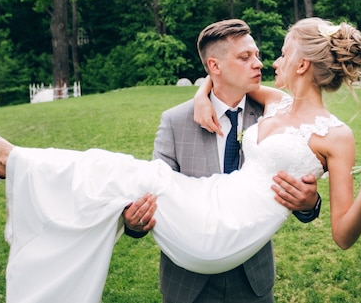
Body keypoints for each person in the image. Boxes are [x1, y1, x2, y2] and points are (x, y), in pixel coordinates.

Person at [0, 18, 361, 303]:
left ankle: (8, 160)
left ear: (302, 65)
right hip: (207, 206)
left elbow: (342, 235)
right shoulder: (276, 102)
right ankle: (10, 163)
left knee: (120, 169)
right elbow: (219, 80)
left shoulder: (336, 136)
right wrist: (202, 94)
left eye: (278, 54)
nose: (269, 61)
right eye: (259, 55)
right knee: (115, 170)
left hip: (225, 234)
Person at [121, 19, 321, 303]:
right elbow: (155, 192)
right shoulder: (175, 121)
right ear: (215, 66)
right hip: (189, 282)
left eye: (257, 55)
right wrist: (134, 222)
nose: (258, 64)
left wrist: (309, 204)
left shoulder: (274, 115)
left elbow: (300, 178)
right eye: (245, 57)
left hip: (252, 279)